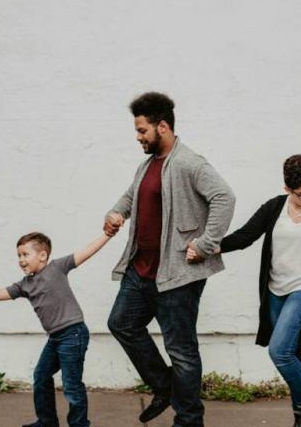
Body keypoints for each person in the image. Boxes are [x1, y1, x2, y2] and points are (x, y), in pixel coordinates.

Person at [187, 154, 301, 427]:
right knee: (295, 353)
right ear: (287, 189)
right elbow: (245, 236)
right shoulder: (274, 208)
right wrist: (209, 248)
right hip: (275, 292)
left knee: (280, 352)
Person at [104, 92, 235, 427]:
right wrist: (117, 212)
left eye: (142, 130)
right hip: (141, 271)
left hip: (177, 276)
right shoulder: (147, 164)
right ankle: (165, 387)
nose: (138, 137)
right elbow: (132, 195)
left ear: (162, 126)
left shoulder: (189, 162)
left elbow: (225, 197)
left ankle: (189, 420)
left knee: (182, 352)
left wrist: (206, 243)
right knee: (121, 323)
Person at [0, 231, 112, 427]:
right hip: (55, 338)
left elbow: (86, 252)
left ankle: (79, 424)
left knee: (71, 385)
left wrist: (107, 234)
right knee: (41, 375)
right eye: (18, 256)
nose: (20, 260)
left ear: (43, 255)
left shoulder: (57, 268)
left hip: (73, 333)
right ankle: (47, 422)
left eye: (25, 254)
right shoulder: (25, 285)